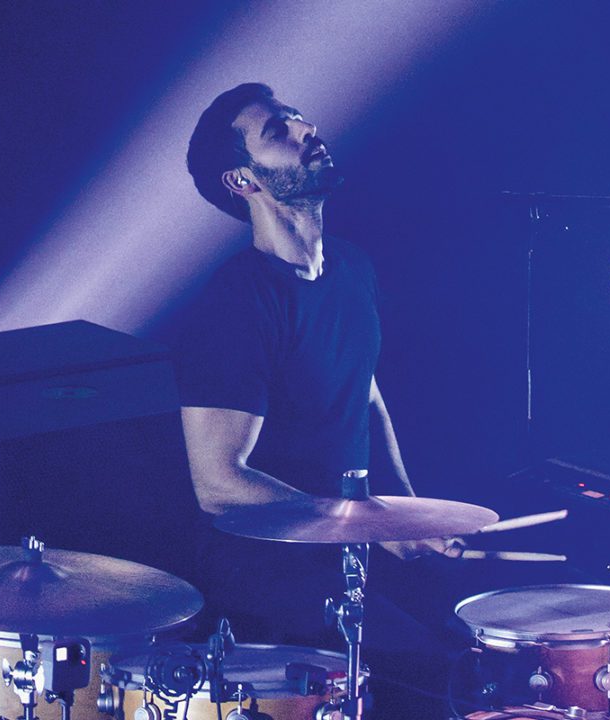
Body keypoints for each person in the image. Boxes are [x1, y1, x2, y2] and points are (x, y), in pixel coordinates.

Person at [174, 83, 448, 646]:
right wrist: (359, 520)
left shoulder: (353, 268)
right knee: (426, 666)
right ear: (242, 180)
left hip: (348, 550)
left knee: (484, 634)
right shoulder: (236, 301)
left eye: (299, 119)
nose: (307, 130)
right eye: (279, 131)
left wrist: (407, 512)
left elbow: (364, 397)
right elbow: (217, 482)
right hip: (264, 570)